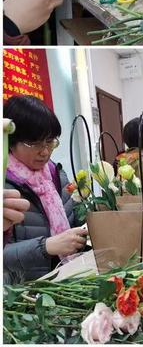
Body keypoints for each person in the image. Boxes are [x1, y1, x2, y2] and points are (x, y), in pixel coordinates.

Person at [4, 96, 87, 282]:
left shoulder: (56, 173)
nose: (45, 152)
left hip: (69, 277)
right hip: (28, 291)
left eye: (50, 141)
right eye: (34, 144)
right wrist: (45, 247)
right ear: (11, 141)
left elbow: (74, 218)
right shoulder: (5, 186)